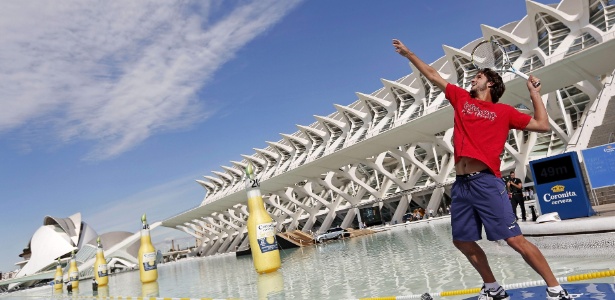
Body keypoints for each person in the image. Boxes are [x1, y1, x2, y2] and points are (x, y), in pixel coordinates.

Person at [393, 39, 571, 300]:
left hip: (487, 182)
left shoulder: (504, 111)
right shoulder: (461, 99)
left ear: (490, 83)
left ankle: (556, 289)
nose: (472, 79)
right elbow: (432, 75)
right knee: (461, 240)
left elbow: (542, 125)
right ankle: (493, 288)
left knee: (514, 240)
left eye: (478, 76)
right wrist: (410, 54)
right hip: (462, 185)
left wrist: (534, 93)